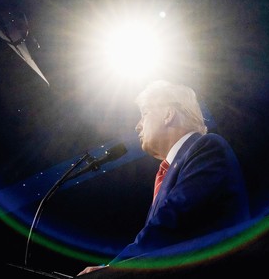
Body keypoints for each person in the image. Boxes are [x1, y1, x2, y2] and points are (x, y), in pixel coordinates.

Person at [77, 80, 250, 275]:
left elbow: (172, 219)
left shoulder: (208, 146)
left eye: (144, 114)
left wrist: (112, 270)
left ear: (168, 114)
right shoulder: (169, 171)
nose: (137, 126)